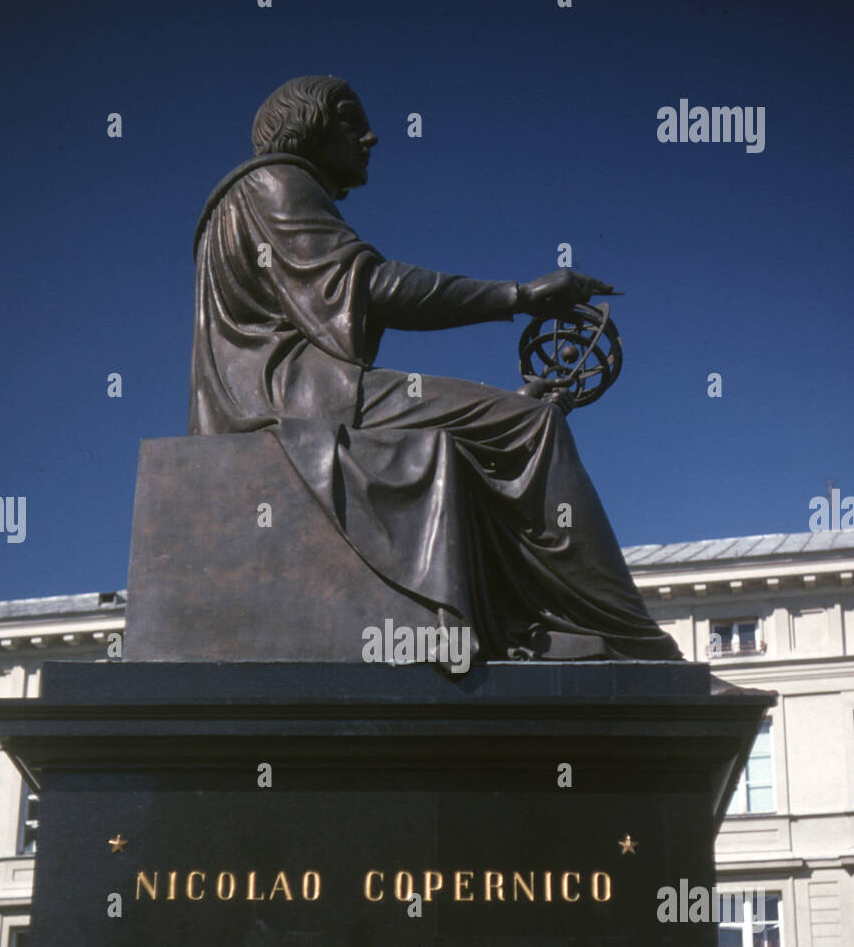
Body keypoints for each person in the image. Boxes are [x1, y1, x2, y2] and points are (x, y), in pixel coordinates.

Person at [189, 75, 682, 662]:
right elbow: (374, 288)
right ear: (311, 125)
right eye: (351, 121)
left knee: (505, 426)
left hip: (292, 392)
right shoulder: (275, 181)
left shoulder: (252, 197)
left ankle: (528, 627)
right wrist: (520, 296)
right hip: (290, 399)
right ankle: (631, 639)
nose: (370, 136)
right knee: (530, 428)